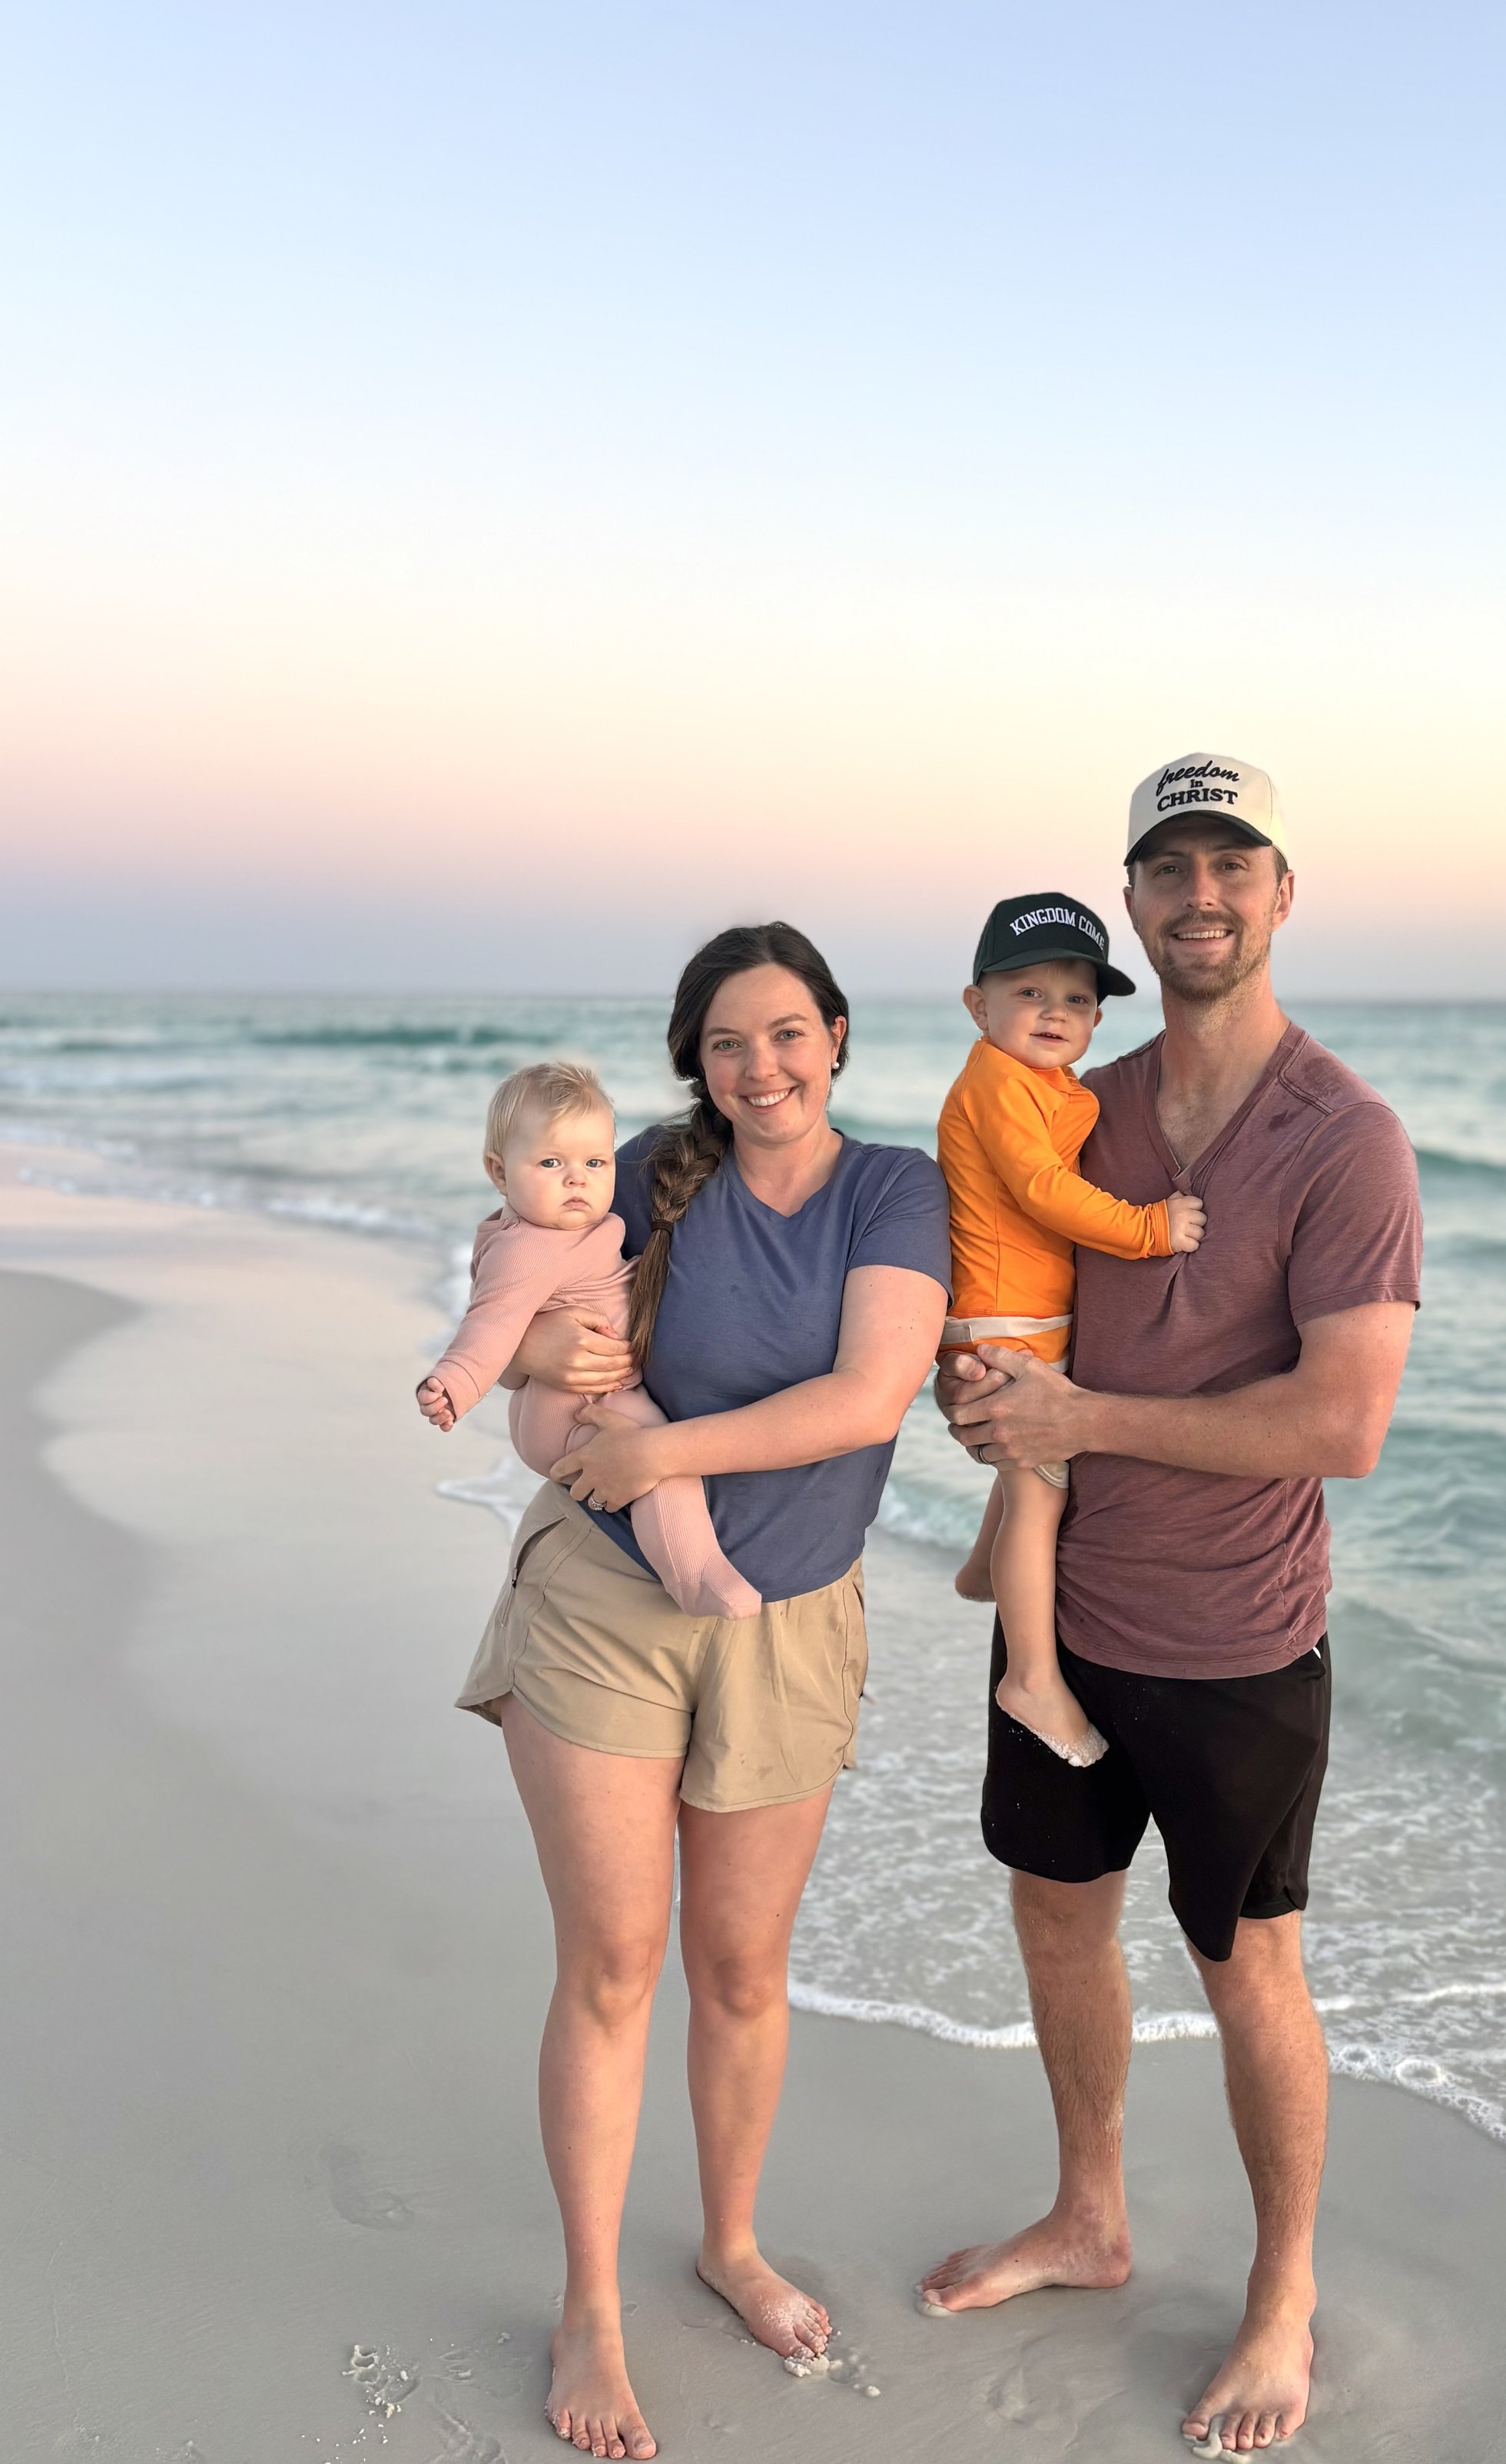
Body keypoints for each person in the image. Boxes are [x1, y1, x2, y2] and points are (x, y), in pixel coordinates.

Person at [921, 758, 1421, 2459]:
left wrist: (1082, 1423)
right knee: (1056, 1918)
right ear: (1131, 907)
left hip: (1234, 1638)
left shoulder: (1343, 1138)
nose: (1197, 895)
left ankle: (1278, 2292)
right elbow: (1004, 1286)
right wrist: (976, 1394)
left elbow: (1340, 1422)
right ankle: (1086, 2216)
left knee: (1245, 1964)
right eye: (1166, 870)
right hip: (1063, 1618)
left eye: (1231, 865)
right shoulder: (1077, 1102)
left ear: (1281, 895)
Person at [456, 924, 950, 2463]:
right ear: (696, 1059)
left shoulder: (893, 1192)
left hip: (785, 1625)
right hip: (605, 1601)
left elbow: (864, 1399)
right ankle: (590, 2306)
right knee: (613, 1961)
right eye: (729, 1041)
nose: (762, 1064)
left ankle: (730, 2242)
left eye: (788, 1031)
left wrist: (660, 1447)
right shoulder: (654, 1171)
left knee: (741, 1968)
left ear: (838, 1035)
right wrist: (539, 1347)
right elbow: (521, 1294)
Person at [937, 892, 1204, 1765]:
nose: (1055, 1012)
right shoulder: (994, 1081)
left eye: (1078, 999)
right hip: (1005, 1320)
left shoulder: (1040, 1084)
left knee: (1024, 1474)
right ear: (978, 1006)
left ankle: (982, 1573)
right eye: (1028, 992)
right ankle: (1032, 1679)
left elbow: (1067, 1129)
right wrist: (1150, 1229)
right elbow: (1043, 1191)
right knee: (1040, 1496)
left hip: (1019, 1314)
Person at [417, 1059, 757, 1620]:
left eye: (595, 1162)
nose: (577, 1178)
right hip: (580, 1406)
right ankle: (695, 1573)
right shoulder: (529, 1246)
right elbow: (490, 1323)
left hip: (567, 1399)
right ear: (499, 1173)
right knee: (656, 1459)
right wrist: (455, 1381)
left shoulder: (545, 1230)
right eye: (551, 1162)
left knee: (651, 1451)